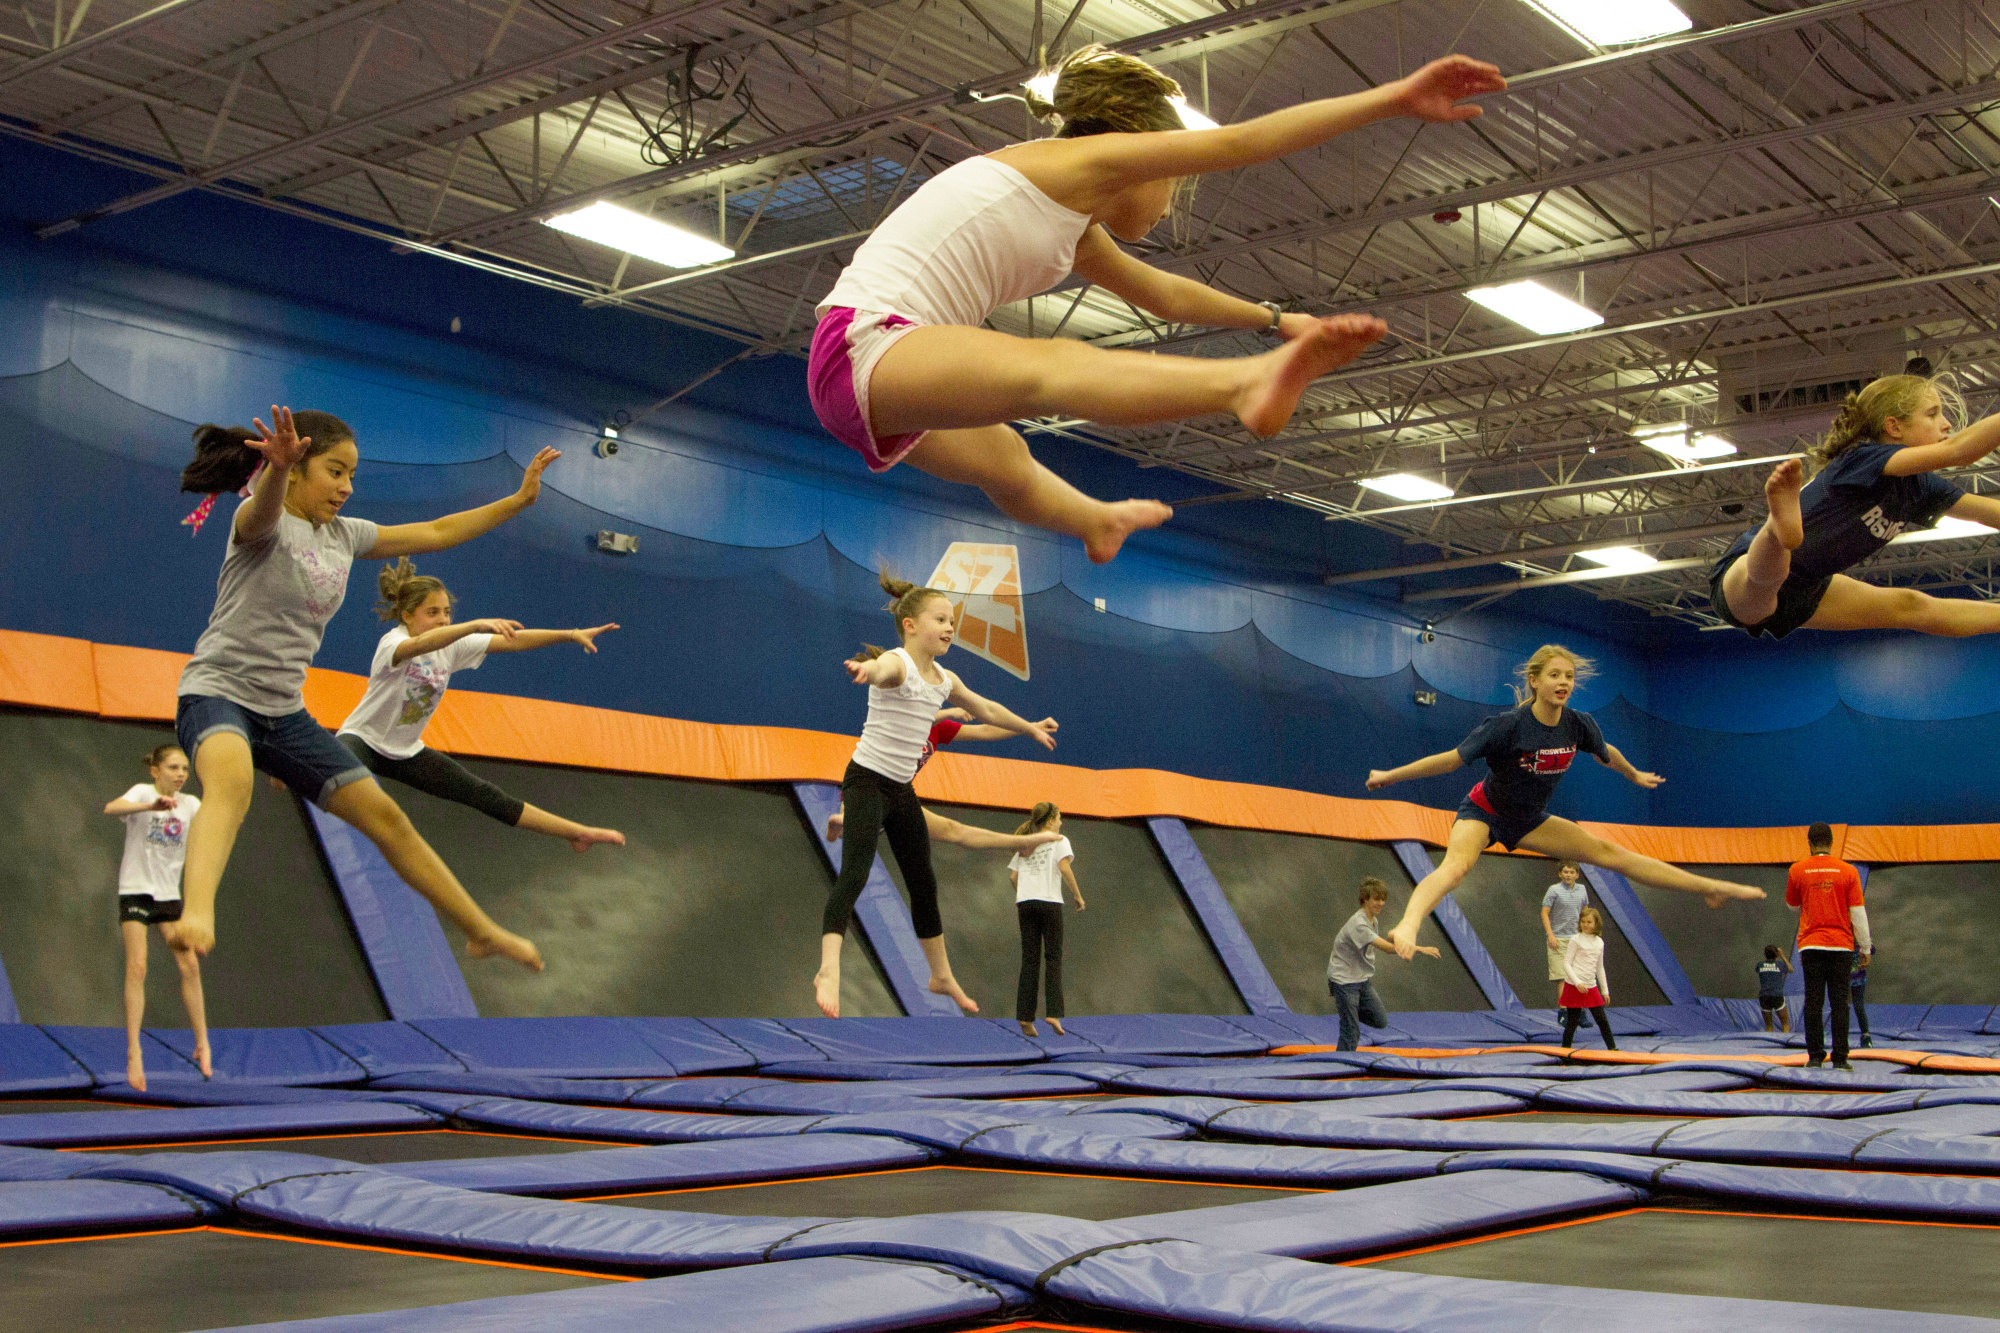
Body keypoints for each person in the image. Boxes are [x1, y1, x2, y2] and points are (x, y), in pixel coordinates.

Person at [809, 45, 1506, 563]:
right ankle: (1243, 383)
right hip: (865, 343)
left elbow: (1167, 293)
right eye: (1171, 179)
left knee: (1010, 462)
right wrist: (1390, 99)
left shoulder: (1072, 223)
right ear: (1142, 148)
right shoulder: (1084, 162)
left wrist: (1275, 319)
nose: (1171, 200)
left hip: (874, 380)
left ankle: (1093, 521)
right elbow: (1242, 143)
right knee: (1048, 367)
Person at [170, 407, 543, 971]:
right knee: (233, 781)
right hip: (218, 691)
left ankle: (480, 930)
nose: (347, 488)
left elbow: (437, 532)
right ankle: (196, 912)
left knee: (386, 816)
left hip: (284, 711)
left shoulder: (345, 536)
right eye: (335, 472)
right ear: (296, 468)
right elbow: (265, 508)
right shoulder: (258, 518)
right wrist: (274, 471)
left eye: (351, 476)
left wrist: (515, 502)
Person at [1366, 645, 1765, 958]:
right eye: (1554, 675)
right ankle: (1409, 924)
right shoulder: (1508, 726)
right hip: (1485, 811)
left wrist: (1633, 774)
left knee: (1612, 853)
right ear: (1535, 681)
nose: (1564, 682)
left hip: (1529, 819)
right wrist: (1390, 776)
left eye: (1569, 677)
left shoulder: (1578, 724)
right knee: (1456, 867)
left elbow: (1607, 752)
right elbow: (1448, 761)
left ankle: (1709, 887)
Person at [816, 569, 1060, 1017]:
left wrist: (1028, 728)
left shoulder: (945, 680)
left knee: (923, 883)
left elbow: (985, 710)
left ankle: (941, 974)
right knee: (856, 873)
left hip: (901, 791)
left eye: (953, 621)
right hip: (867, 780)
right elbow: (884, 667)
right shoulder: (900, 663)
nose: (950, 627)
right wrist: (867, 670)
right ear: (910, 626)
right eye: (941, 619)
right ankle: (829, 967)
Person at [337, 557, 624, 851]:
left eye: (447, 612)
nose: (443, 619)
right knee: (329, 773)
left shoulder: (451, 646)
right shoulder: (393, 641)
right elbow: (418, 646)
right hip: (363, 739)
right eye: (432, 612)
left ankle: (578, 833)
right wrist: (473, 625)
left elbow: (513, 641)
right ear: (408, 616)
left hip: (406, 751)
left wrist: (570, 635)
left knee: (487, 795)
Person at [1713, 373, 2000, 637]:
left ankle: (1780, 534)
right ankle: (1778, 530)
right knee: (1761, 589)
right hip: (1742, 576)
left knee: (1911, 606)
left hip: (1810, 587)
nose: (1946, 423)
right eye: (1932, 414)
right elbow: (1958, 451)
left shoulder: (1920, 487)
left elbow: (1989, 513)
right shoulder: (1863, 458)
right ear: (1894, 426)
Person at [102, 745, 209, 1091]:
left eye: (184, 770)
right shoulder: (142, 792)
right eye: (173, 768)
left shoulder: (192, 805)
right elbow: (110, 808)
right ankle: (134, 1051)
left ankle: (202, 1043)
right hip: (135, 889)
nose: (180, 775)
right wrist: (151, 806)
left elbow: (218, 823)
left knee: (189, 965)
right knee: (138, 966)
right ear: (156, 771)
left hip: (168, 896)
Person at [821, 707, 1059, 844]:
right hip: (868, 781)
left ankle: (1022, 843)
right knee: (860, 806)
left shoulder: (939, 729)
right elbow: (915, 716)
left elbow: (986, 730)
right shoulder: (903, 714)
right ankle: (845, 820)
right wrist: (950, 711)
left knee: (952, 830)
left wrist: (1032, 726)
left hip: (896, 795)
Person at [1786, 821, 1871, 1070]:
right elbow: (1858, 913)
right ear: (1831, 843)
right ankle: (1841, 1058)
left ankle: (1814, 1057)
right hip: (1841, 946)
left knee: (1813, 1001)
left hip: (1811, 945)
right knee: (1839, 1002)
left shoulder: (1797, 870)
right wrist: (1865, 947)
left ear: (1809, 843)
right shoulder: (1849, 872)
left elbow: (1792, 906)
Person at [1326, 878, 1441, 1052]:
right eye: (1376, 899)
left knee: (1380, 1020)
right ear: (1365, 899)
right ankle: (1339, 1067)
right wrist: (1419, 948)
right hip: (1344, 981)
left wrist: (1395, 936)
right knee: (1351, 1032)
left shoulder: (1372, 920)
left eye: (1382, 899)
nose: (1381, 903)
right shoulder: (1359, 924)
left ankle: (1348, 1012)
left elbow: (1383, 942)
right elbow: (1387, 948)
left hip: (1360, 979)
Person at [1008, 802, 1086, 1038]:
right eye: (1060, 817)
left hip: (1025, 903)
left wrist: (1026, 893)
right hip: (1049, 902)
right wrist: (1077, 895)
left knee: (1029, 961)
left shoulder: (1025, 841)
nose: (1061, 822)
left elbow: (1013, 876)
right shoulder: (1058, 840)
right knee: (1053, 957)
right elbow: (1064, 867)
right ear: (1051, 820)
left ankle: (1024, 1017)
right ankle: (1053, 1012)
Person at [1557, 907, 1616, 1050]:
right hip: (1574, 985)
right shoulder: (1576, 940)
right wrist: (1577, 982)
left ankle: (1613, 1049)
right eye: (1583, 921)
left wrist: (1605, 990)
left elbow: (1599, 967)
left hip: (1591, 986)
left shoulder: (1599, 942)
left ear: (1596, 924)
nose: (1585, 924)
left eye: (1589, 922)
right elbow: (1566, 963)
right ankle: (1565, 1052)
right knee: (1572, 1021)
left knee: (1602, 1020)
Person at [1541, 860, 1588, 1005]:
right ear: (1560, 874)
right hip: (1558, 939)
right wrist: (1550, 935)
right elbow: (1544, 913)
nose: (1568, 875)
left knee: (1577, 977)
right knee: (1562, 978)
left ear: (1577, 875)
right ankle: (1564, 1010)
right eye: (1565, 872)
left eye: (1571, 872)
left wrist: (1586, 935)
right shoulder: (1554, 890)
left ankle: (1578, 1011)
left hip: (1576, 939)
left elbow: (1585, 913)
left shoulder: (1582, 890)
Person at [1757, 944, 1793, 1033]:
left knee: (1768, 1026)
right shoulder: (1779, 965)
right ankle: (1786, 1044)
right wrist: (1782, 956)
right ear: (1776, 955)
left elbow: (1759, 971)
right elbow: (1791, 969)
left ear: (1764, 954)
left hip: (1764, 996)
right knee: (1785, 1024)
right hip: (1777, 995)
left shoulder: (1760, 965)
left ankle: (1769, 1045)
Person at [1850, 945, 1874, 1049]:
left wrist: (1865, 949)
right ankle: (1838, 1037)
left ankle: (1866, 1036)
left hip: (1857, 976)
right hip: (1840, 973)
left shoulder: (1861, 935)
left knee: (1858, 1006)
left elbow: (1871, 948)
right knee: (1838, 1006)